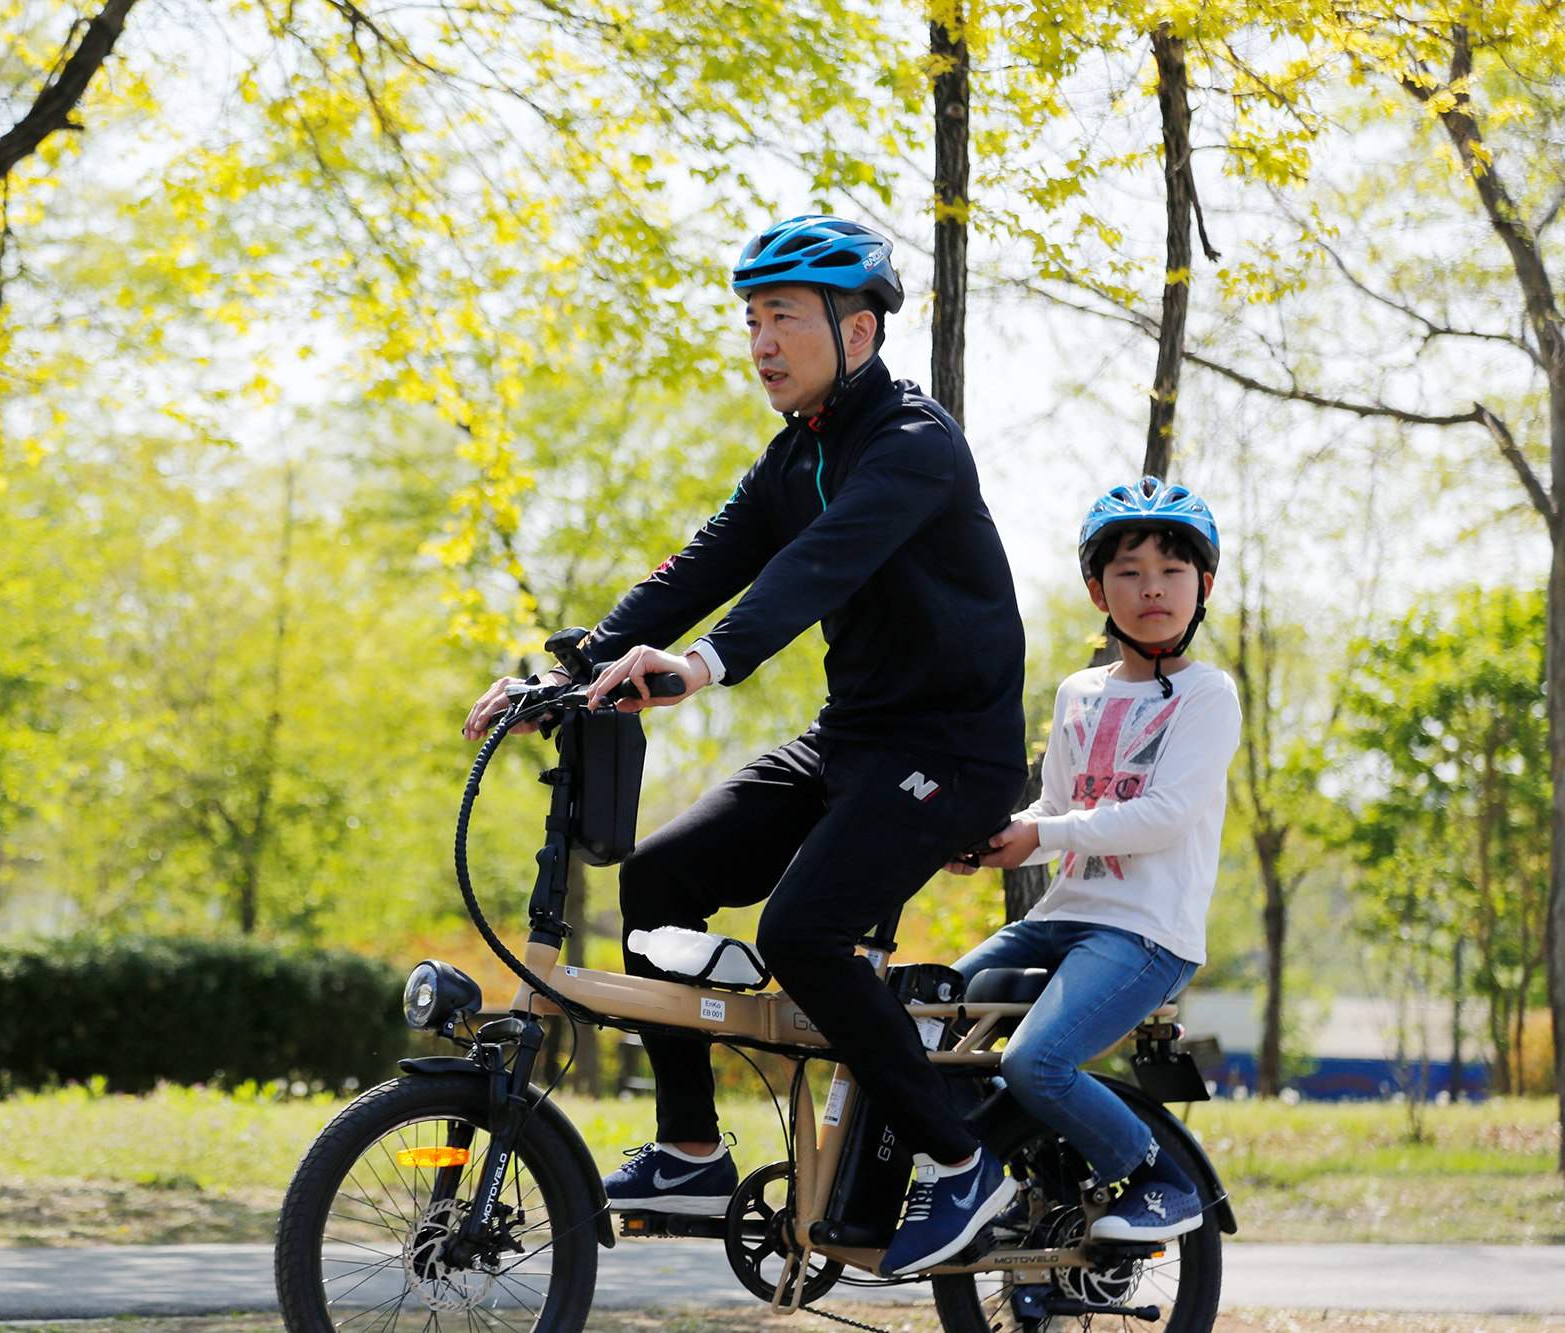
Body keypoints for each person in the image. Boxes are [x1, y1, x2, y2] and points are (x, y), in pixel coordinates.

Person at [462, 214, 1028, 1269]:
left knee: (802, 932)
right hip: (851, 740)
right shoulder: (794, 455)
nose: (761, 342)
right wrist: (568, 672)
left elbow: (816, 567)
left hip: (950, 753)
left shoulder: (913, 444)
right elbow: (701, 566)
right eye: (752, 320)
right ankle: (689, 1150)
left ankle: (963, 1163)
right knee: (657, 879)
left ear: (857, 332)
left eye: (783, 318)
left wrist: (703, 664)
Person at [938, 476, 1241, 1248]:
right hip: (1060, 917)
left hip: (1145, 934)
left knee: (1036, 1060)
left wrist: (1044, 832)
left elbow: (1164, 816)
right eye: (1129, 572)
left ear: (1203, 586)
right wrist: (996, 837)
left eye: (1172, 571)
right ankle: (998, 1176)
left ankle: (1158, 1178)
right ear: (1098, 591)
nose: (1152, 588)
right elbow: (1057, 805)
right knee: (923, 1018)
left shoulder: (1209, 695)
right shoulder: (1079, 692)